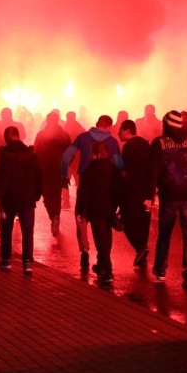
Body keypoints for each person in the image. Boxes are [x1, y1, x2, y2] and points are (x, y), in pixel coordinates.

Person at [147, 110, 187, 288]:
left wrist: (149, 195)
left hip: (169, 194)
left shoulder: (159, 143)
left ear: (166, 125)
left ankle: (160, 270)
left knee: (165, 233)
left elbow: (153, 171)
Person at [61, 115, 123, 271]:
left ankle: (85, 251)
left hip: (85, 183)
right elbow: (119, 164)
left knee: (81, 219)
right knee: (103, 225)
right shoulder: (113, 142)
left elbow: (66, 155)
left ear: (97, 124)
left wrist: (64, 174)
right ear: (108, 126)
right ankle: (104, 259)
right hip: (105, 187)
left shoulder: (82, 137)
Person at [0, 126, 42, 275]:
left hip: (10, 198)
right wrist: (37, 194)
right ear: (18, 136)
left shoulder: (4, 154)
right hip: (27, 197)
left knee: (6, 229)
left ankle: (6, 260)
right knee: (28, 231)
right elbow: (39, 175)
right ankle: (27, 263)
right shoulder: (31, 153)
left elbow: (2, 177)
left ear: (7, 137)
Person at [76, 141, 124, 287]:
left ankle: (107, 272)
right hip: (109, 209)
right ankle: (101, 266)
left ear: (96, 154)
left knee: (101, 242)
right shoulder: (113, 169)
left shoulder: (89, 170)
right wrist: (119, 207)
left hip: (95, 209)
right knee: (106, 239)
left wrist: (80, 210)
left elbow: (83, 192)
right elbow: (118, 190)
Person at [118, 119, 153, 267]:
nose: (118, 133)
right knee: (143, 222)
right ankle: (142, 256)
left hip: (131, 191)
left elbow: (125, 170)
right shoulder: (146, 145)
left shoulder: (128, 147)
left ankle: (140, 249)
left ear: (127, 130)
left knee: (124, 221)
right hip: (146, 190)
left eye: (121, 130)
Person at [34, 111, 72, 236]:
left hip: (45, 171)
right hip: (57, 170)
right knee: (56, 195)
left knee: (47, 196)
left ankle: (53, 216)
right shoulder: (64, 135)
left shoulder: (41, 135)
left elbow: (35, 152)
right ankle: (55, 216)